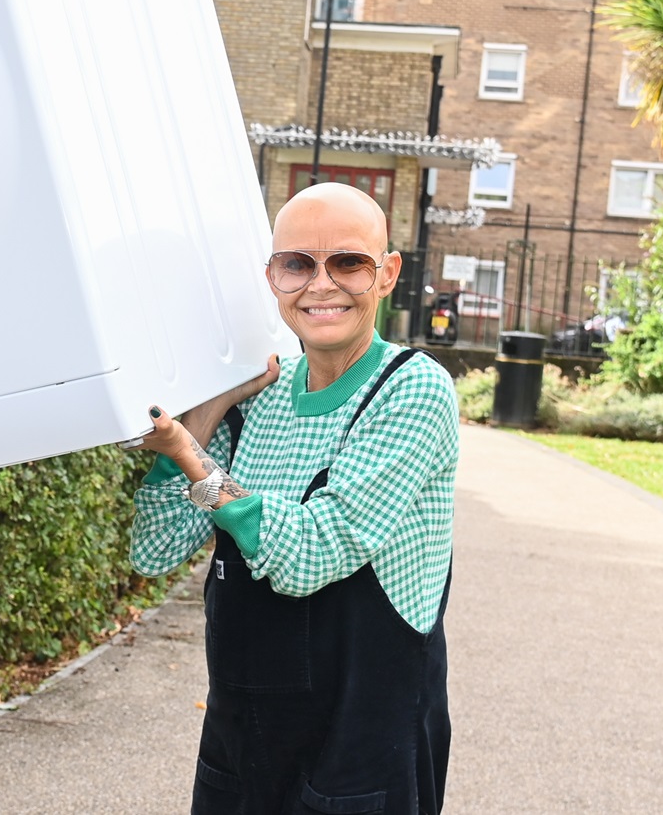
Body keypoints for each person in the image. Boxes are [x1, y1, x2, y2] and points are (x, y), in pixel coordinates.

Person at [131, 183, 461, 815]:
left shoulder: (412, 390)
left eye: (349, 263)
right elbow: (154, 548)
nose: (321, 284)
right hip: (241, 740)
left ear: (387, 274)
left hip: (362, 743)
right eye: (297, 264)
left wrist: (186, 454)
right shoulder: (258, 394)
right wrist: (210, 413)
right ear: (273, 277)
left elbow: (312, 553)